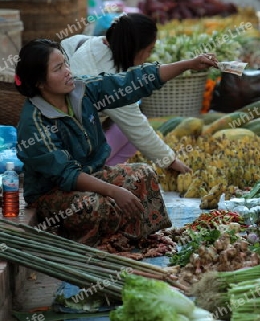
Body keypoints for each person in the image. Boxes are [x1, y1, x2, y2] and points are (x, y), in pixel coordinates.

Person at [15, 38, 218, 246]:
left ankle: (138, 238)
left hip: (90, 175)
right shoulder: (34, 123)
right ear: (39, 82)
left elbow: (131, 82)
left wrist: (189, 64)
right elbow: (67, 174)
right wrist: (113, 190)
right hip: (52, 192)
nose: (68, 71)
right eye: (58, 68)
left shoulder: (81, 90)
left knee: (143, 174)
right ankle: (100, 246)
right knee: (95, 203)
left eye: (65, 63)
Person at [61, 14, 190, 172]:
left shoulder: (95, 44)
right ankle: (92, 174)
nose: (149, 56)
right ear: (134, 49)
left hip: (68, 134)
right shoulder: (108, 76)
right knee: (129, 129)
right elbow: (136, 126)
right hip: (69, 149)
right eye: (148, 51)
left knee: (123, 129)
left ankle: (104, 173)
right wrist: (170, 161)